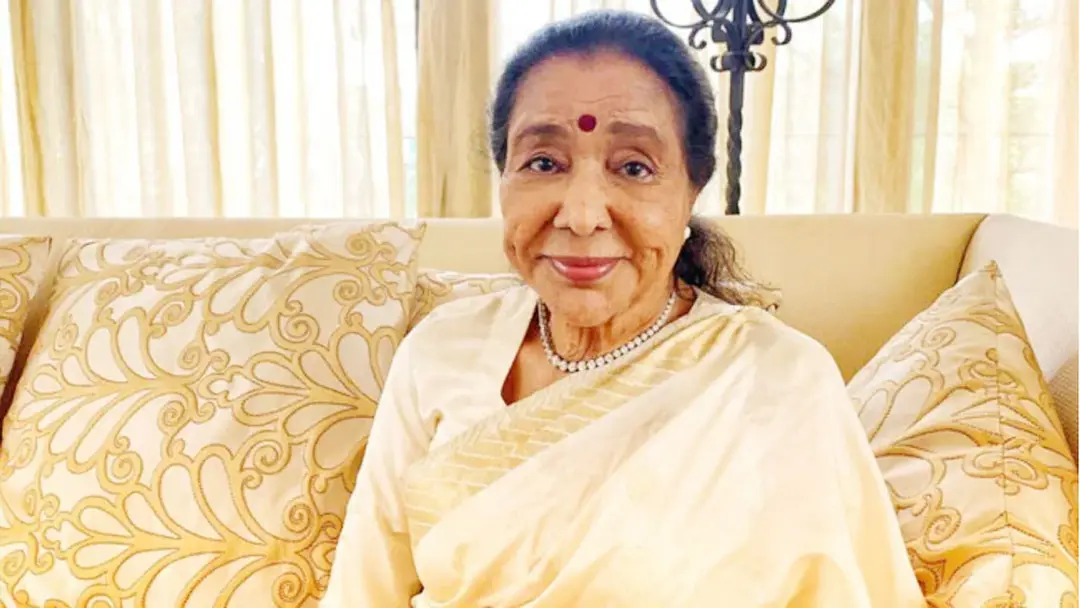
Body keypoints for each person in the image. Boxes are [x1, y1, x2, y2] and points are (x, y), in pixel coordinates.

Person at [324, 10, 924, 607]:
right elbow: (364, 589)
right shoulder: (439, 350)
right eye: (544, 163)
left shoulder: (776, 379)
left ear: (692, 190)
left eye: (634, 167)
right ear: (503, 178)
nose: (582, 215)